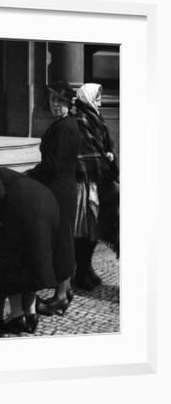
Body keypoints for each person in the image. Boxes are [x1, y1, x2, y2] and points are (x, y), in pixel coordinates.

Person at [0, 165, 60, 334]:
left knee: (12, 264)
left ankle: (17, 317)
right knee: (31, 262)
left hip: (26, 208)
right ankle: (31, 315)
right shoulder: (7, 175)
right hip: (48, 204)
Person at [28, 81, 82, 316]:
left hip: (59, 188)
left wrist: (30, 175)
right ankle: (65, 288)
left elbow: (54, 165)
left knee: (61, 240)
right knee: (63, 238)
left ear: (70, 105)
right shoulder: (64, 125)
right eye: (52, 101)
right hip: (61, 187)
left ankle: (60, 296)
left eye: (61, 101)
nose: (56, 105)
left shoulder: (65, 128)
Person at [73, 83, 119, 290]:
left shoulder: (94, 116)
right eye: (97, 98)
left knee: (95, 229)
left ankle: (86, 268)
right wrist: (104, 157)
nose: (100, 101)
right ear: (87, 98)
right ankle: (81, 272)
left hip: (98, 179)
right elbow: (86, 152)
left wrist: (109, 154)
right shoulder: (81, 119)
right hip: (85, 182)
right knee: (86, 229)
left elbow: (104, 145)